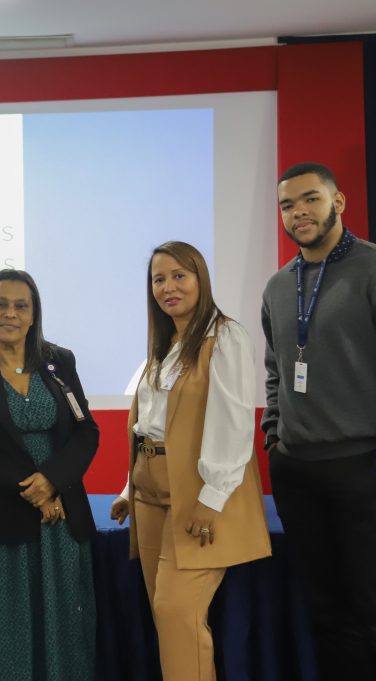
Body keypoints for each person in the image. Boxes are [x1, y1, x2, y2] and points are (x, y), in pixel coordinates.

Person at [261, 163, 376, 681]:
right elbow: (276, 370)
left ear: (337, 202)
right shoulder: (278, 287)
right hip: (297, 471)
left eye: (311, 199)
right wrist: (274, 436)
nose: (298, 212)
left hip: (366, 468)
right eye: (288, 205)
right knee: (328, 616)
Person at [109, 241, 271, 681]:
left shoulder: (225, 337)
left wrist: (212, 497)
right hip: (148, 495)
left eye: (179, 275)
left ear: (201, 278)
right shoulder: (164, 345)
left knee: (176, 611)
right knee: (168, 620)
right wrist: (128, 488)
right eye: (159, 279)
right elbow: (151, 425)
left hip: (196, 495)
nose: (168, 287)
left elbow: (234, 423)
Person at [0, 269, 99, 681]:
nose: (10, 313)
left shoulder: (59, 361)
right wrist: (32, 489)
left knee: (64, 633)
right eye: (0, 304)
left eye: (20, 306)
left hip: (60, 522)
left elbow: (86, 431)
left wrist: (53, 482)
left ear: (33, 315)